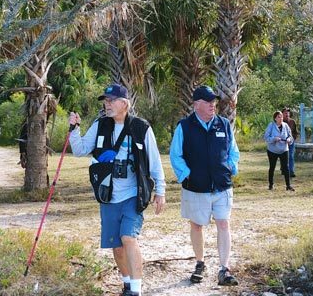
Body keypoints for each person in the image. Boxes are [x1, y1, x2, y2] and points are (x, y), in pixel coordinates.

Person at [68, 84, 166, 296]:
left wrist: (161, 190)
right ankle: (127, 282)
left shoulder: (141, 127)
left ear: (125, 103)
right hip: (108, 194)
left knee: (128, 238)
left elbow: (155, 161)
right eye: (106, 100)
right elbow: (80, 150)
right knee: (117, 245)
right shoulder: (100, 125)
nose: (107, 104)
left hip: (133, 193)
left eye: (112, 100)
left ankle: (136, 290)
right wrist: (74, 129)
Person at [169, 85, 240, 287]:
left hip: (222, 187)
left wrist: (230, 168)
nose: (213, 105)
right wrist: (187, 176)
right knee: (197, 226)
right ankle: (200, 263)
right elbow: (175, 155)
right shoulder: (184, 126)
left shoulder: (224, 124)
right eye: (208, 102)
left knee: (224, 224)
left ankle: (224, 269)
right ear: (196, 104)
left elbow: (233, 151)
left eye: (214, 102)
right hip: (196, 188)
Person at [264, 111, 294, 191]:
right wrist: (274, 139)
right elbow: (266, 137)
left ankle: (288, 186)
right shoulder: (271, 126)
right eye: (279, 117)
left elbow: (290, 137)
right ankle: (271, 185)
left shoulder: (286, 126)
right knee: (272, 167)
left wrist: (288, 139)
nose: (281, 118)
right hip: (272, 150)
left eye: (281, 117)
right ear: (275, 118)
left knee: (286, 168)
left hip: (284, 149)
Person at [282, 107, 298, 177]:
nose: (287, 114)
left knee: (291, 156)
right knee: (283, 157)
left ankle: (291, 171)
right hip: (282, 142)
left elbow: (295, 132)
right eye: (285, 113)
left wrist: (293, 139)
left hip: (291, 142)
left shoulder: (292, 122)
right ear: (282, 114)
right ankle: (283, 169)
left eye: (288, 113)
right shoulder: (280, 122)